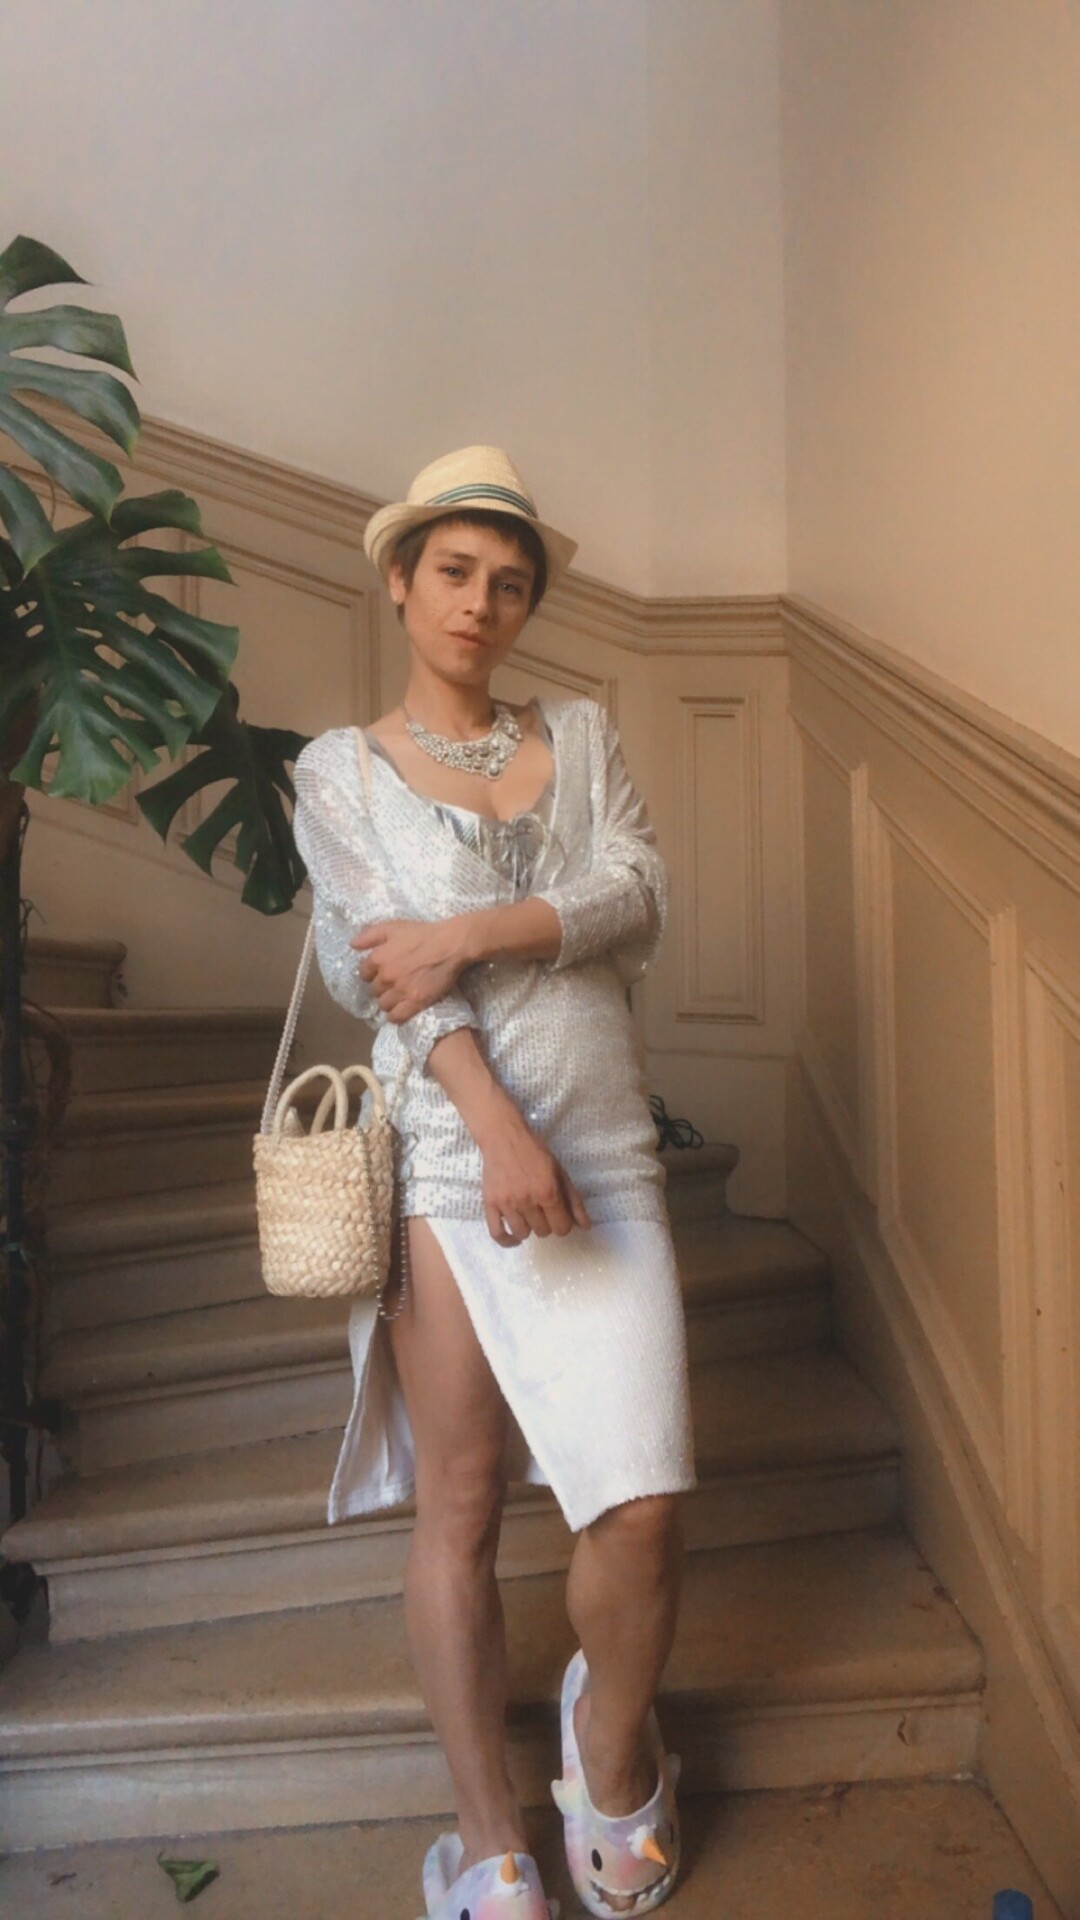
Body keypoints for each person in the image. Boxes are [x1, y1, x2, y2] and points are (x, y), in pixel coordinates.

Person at [290, 446, 695, 1920]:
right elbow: (377, 971)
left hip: (609, 1155)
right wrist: (497, 1125)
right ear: (401, 582)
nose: (480, 603)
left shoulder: (580, 735)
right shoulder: (336, 772)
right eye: (454, 572)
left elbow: (635, 890)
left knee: (641, 1501)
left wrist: (474, 931)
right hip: (452, 1165)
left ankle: (607, 1741)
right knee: (459, 1507)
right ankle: (493, 1847)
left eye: (509, 583)